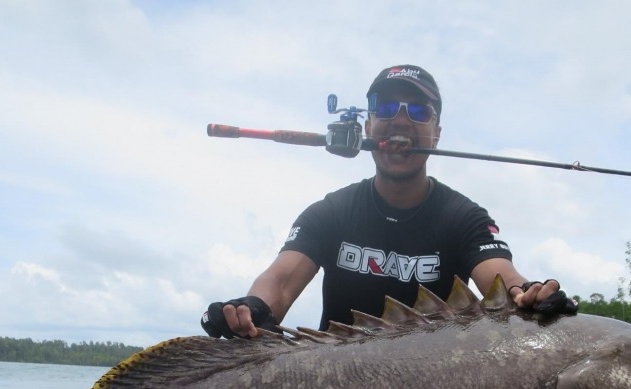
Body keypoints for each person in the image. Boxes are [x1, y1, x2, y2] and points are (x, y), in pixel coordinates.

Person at [201, 64, 577, 339]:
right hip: (333, 382)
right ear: (367, 127)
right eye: (385, 108)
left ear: (437, 133)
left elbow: (504, 279)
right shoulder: (331, 212)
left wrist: (529, 294)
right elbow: (279, 284)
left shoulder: (464, 217)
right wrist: (252, 308)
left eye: (417, 111)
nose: (400, 119)